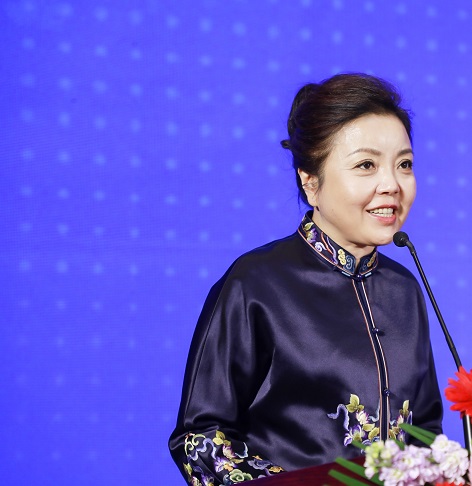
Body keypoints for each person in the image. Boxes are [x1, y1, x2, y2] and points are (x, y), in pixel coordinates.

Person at [168, 73, 444, 484]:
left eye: (404, 164)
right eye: (366, 165)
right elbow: (200, 440)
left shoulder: (405, 288)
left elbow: (426, 432)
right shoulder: (254, 283)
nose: (391, 185)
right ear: (310, 181)